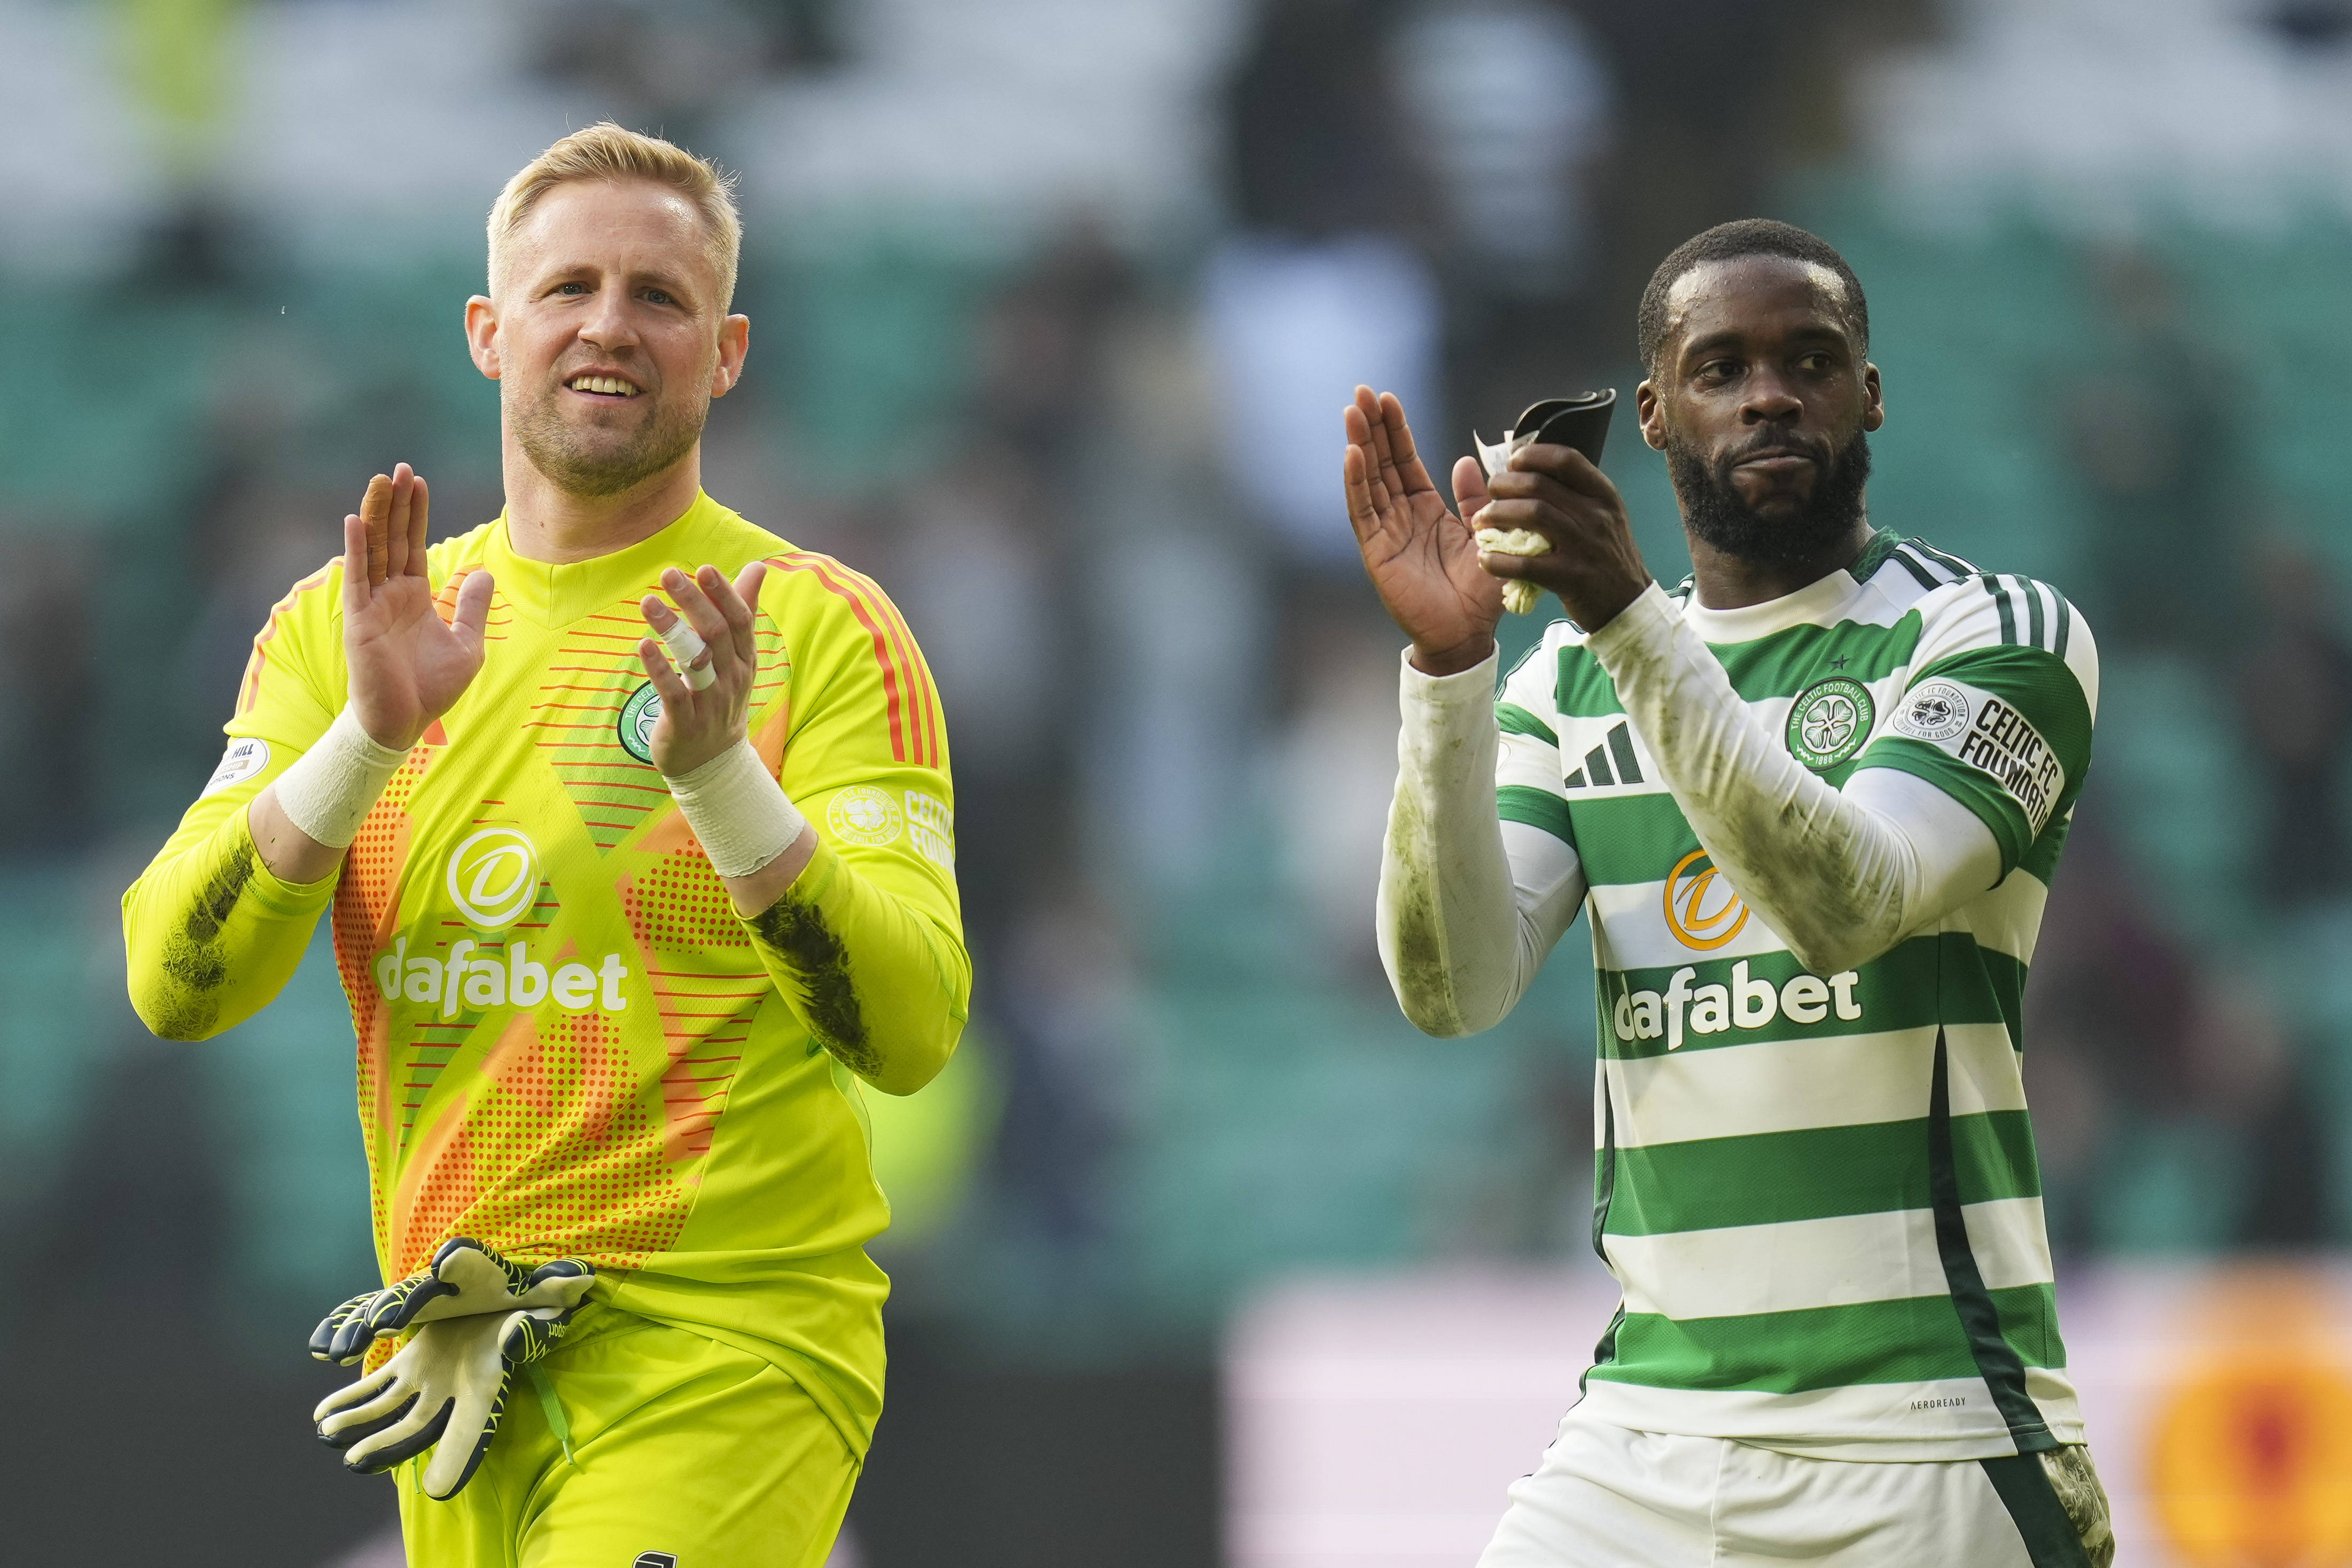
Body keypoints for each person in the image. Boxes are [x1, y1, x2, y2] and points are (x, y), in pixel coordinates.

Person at [122, 123, 966, 1567]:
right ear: (487, 330)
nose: (609, 326)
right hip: (451, 1360)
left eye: (661, 296)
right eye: (569, 285)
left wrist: (718, 782)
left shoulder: (815, 627)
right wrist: (367, 742)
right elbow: (173, 981)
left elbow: (910, 1024)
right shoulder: (351, 627)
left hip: (726, 1343)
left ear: (729, 351)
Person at [1346, 219, 2114, 1567]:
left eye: (1809, 360)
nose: (1769, 392)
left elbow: (1850, 900)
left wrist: (1629, 616)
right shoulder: (1565, 685)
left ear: (1868, 392)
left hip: (1924, 1435)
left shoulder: (1990, 633)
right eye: (1720, 367)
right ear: (1650, 413)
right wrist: (1453, 670)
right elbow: (1451, 988)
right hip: (1641, 1439)